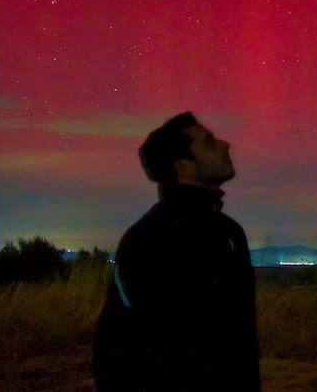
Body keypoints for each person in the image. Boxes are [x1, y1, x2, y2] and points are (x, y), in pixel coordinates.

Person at [91, 111, 261, 391]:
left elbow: (238, 344)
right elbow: (117, 350)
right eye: (208, 142)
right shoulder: (149, 240)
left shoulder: (230, 233)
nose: (225, 144)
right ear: (183, 166)